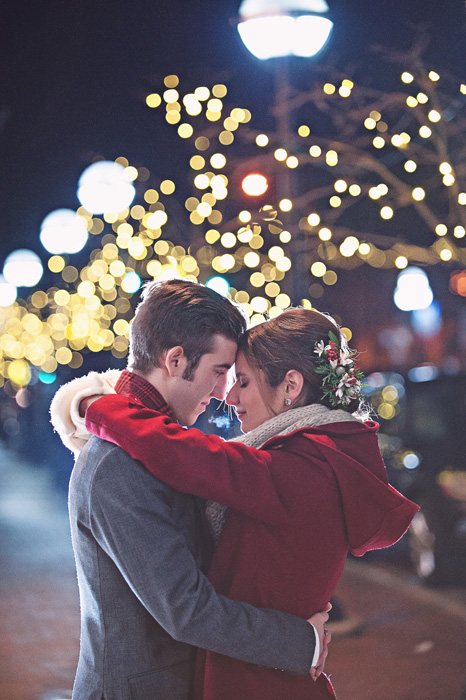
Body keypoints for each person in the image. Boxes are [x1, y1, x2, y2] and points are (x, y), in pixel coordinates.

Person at [65, 305, 420, 699]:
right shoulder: (318, 458)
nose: (228, 396)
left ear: (290, 387)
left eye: (242, 381)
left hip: (256, 682)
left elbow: (183, 454)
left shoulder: (300, 469)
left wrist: (91, 404)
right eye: (223, 374)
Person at [50, 280, 330, 700]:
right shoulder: (116, 464)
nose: (223, 394)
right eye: (220, 372)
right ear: (176, 360)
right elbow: (185, 609)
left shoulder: (160, 445)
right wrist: (301, 642)